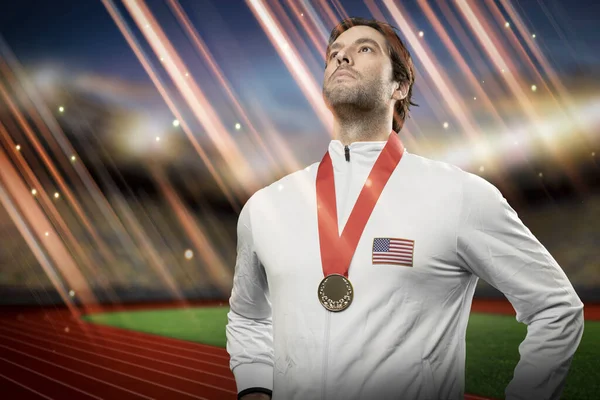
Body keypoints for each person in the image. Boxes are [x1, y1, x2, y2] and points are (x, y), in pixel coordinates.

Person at [225, 17, 584, 400]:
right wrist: (254, 388)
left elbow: (556, 308)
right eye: (334, 54)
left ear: (400, 86)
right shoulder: (266, 207)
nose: (342, 57)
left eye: (365, 48)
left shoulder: (459, 195)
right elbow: (247, 316)